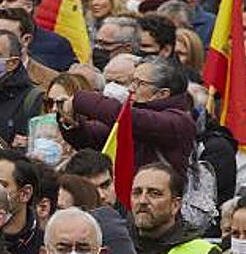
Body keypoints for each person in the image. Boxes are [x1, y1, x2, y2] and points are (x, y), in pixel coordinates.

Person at [60, 57, 197, 178]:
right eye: (132, 81)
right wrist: (71, 121)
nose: (131, 88)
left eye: (140, 83)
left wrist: (80, 99)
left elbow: (130, 119)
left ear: (162, 94)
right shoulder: (138, 112)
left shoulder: (179, 121)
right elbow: (91, 138)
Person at [130, 163, 219, 254]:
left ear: (175, 205)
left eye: (154, 193)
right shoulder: (113, 247)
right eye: (137, 192)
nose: (142, 201)